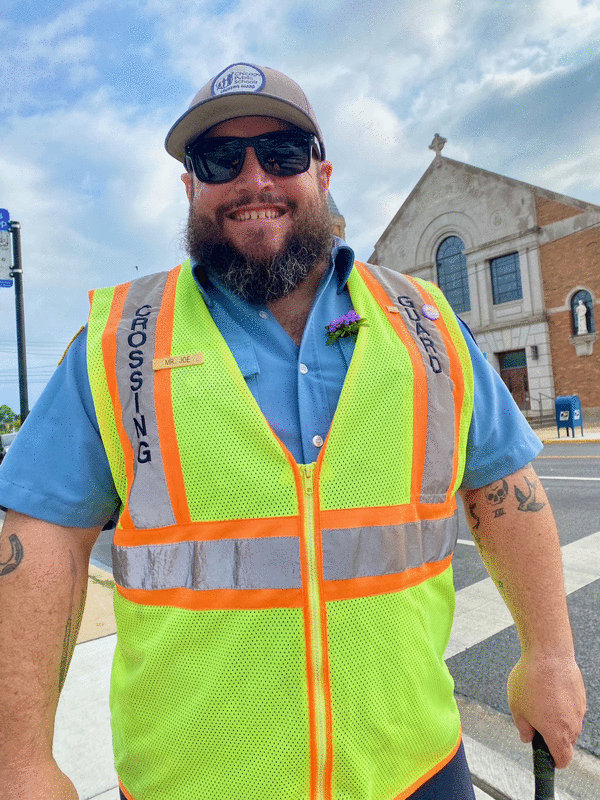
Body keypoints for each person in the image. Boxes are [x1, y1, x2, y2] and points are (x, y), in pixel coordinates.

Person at [0, 63, 585, 800]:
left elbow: (505, 490)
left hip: (414, 770)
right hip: (193, 785)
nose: (254, 180)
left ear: (322, 173)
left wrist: (550, 655)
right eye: (221, 159)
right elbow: (41, 543)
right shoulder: (118, 345)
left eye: (281, 153)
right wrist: (20, 760)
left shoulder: (427, 325)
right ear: (189, 185)